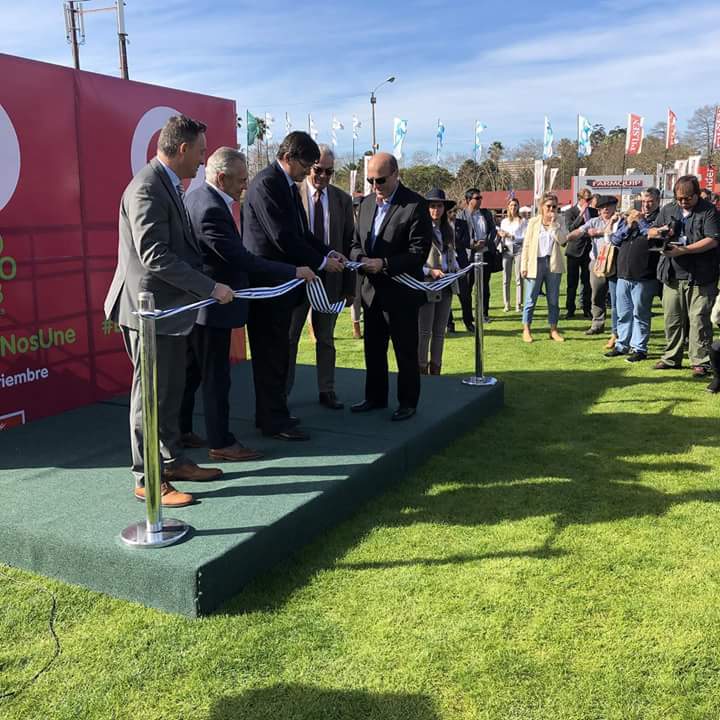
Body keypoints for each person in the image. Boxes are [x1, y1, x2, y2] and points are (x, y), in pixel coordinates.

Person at [104, 115, 233, 508]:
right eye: (200, 151)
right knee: (150, 397)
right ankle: (148, 479)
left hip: (170, 312)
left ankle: (173, 462)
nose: (202, 159)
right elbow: (155, 255)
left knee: (170, 392)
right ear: (182, 149)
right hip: (147, 313)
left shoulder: (168, 183)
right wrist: (209, 287)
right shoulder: (146, 187)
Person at [178, 147, 316, 460]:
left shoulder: (197, 197)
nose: (245, 186)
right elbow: (240, 258)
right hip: (211, 307)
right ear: (221, 178)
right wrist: (292, 270)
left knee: (192, 373)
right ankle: (221, 443)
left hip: (200, 306)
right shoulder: (210, 208)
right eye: (241, 180)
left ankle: (182, 429)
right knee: (216, 378)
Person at [242, 132, 345, 440]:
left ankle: (275, 414)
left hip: (285, 285)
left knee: (278, 353)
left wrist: (328, 252)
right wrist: (322, 263)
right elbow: (282, 237)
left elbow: (302, 234)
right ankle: (273, 420)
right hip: (269, 284)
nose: (309, 172)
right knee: (271, 354)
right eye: (307, 165)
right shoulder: (267, 184)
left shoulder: (286, 185)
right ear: (288, 157)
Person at [349, 152, 432, 421]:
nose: (375, 186)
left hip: (402, 294)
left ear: (396, 174)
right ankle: (375, 397)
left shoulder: (415, 205)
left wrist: (384, 263)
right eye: (370, 180)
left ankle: (408, 402)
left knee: (405, 351)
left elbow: (419, 252)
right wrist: (361, 259)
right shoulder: (366, 204)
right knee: (373, 349)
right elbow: (354, 243)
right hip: (371, 293)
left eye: (381, 180)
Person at [287, 145, 356, 409]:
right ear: (309, 167)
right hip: (298, 279)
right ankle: (283, 392)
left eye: (329, 171)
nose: (323, 176)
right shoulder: (292, 194)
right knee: (290, 338)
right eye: (318, 170)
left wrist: (349, 286)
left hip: (331, 281)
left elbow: (349, 244)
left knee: (326, 338)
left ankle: (327, 390)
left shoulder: (342, 199)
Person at [648, 175, 720, 376]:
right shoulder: (669, 209)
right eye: (678, 198)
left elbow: (712, 240)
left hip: (701, 276)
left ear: (697, 194)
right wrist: (660, 232)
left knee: (698, 319)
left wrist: (685, 250)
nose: (682, 202)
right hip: (672, 274)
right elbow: (651, 230)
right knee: (672, 318)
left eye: (687, 198)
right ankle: (671, 358)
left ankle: (701, 361)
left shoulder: (708, 211)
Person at [604, 188, 661, 362]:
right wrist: (629, 225)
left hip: (644, 275)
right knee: (623, 313)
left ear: (657, 201)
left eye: (650, 201)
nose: (646, 205)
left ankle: (639, 348)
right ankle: (622, 345)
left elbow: (654, 235)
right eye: (643, 201)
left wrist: (641, 222)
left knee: (640, 313)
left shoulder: (659, 218)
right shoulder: (629, 219)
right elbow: (614, 240)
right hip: (623, 274)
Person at [567, 195, 620, 345]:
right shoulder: (593, 221)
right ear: (598, 210)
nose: (605, 209)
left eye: (609, 206)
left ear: (614, 207)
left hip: (615, 262)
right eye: (602, 207)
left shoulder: (619, 220)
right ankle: (597, 324)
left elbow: (615, 233)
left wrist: (598, 232)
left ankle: (617, 330)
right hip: (597, 262)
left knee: (616, 298)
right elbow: (580, 231)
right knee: (596, 295)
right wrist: (569, 236)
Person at [418, 188, 459, 375]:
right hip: (428, 283)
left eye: (439, 206)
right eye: (432, 206)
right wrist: (430, 271)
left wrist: (457, 269)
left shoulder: (448, 230)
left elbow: (451, 255)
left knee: (440, 331)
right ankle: (421, 369)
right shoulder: (420, 229)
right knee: (424, 331)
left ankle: (436, 369)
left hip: (447, 284)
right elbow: (414, 261)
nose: (436, 210)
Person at [519, 192, 567, 343]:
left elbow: (563, 241)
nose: (551, 209)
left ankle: (553, 330)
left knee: (553, 300)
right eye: (548, 206)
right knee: (530, 299)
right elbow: (526, 245)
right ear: (542, 207)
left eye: (554, 206)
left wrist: (554, 226)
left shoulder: (560, 221)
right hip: (535, 263)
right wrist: (524, 265)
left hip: (553, 264)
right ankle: (526, 329)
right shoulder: (533, 222)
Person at [453, 189, 499, 325]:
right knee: (467, 288)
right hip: (469, 257)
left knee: (484, 287)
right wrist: (473, 244)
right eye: (477, 198)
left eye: (480, 198)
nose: (480, 200)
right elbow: (458, 237)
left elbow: (493, 230)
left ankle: (483, 314)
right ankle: (468, 317)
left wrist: (486, 242)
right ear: (468, 200)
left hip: (486, 254)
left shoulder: (486, 214)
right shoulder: (461, 216)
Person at [563, 188, 597, 319]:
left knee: (587, 282)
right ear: (580, 199)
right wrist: (581, 214)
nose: (588, 201)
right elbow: (570, 228)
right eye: (586, 199)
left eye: (590, 199)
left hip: (588, 251)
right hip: (574, 252)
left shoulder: (593, 212)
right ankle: (570, 309)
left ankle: (586, 309)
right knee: (572, 283)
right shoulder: (570, 212)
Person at [498, 198, 527, 312]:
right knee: (506, 277)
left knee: (519, 277)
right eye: (511, 205)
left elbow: (525, 237)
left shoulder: (523, 221)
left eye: (515, 205)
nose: (513, 207)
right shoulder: (504, 221)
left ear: (518, 207)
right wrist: (501, 234)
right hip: (506, 249)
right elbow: (501, 233)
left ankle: (518, 304)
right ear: (508, 207)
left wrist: (512, 236)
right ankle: (507, 303)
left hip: (519, 248)